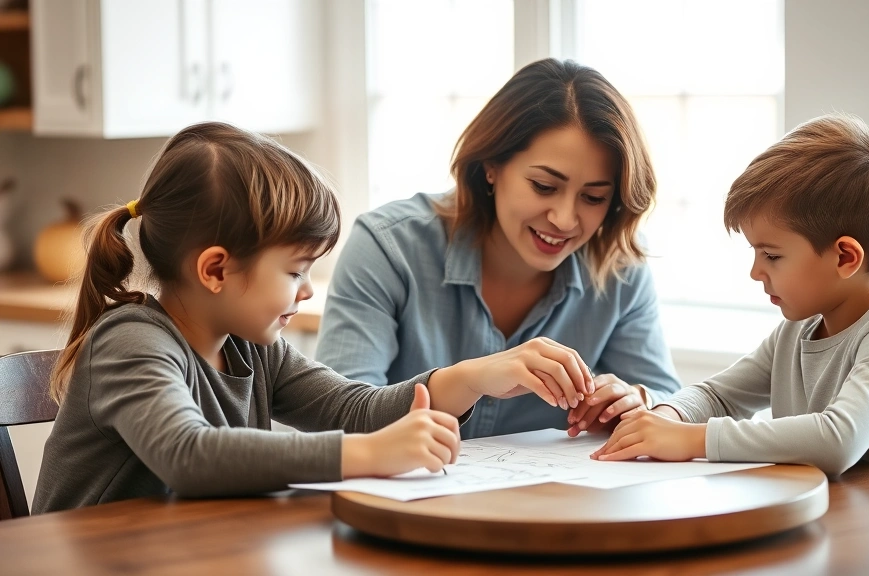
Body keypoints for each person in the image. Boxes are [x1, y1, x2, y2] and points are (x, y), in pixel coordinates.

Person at [33, 122, 586, 514]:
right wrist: (367, 455)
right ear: (217, 270)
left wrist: (476, 376)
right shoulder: (130, 343)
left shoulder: (250, 346)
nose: (305, 292)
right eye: (296, 270)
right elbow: (189, 454)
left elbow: (349, 407)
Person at [315, 58, 681, 439]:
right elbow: (335, 419)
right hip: (403, 497)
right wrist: (468, 381)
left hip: (552, 498)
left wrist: (637, 401)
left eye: (593, 197)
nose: (565, 219)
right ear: (491, 165)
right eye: (544, 186)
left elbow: (669, 399)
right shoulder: (389, 247)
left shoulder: (619, 267)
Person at [593, 114, 869, 477]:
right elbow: (718, 397)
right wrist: (665, 417)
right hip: (835, 519)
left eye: (772, 256)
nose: (755, 272)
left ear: (845, 257)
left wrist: (693, 439)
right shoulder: (798, 331)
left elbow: (837, 440)